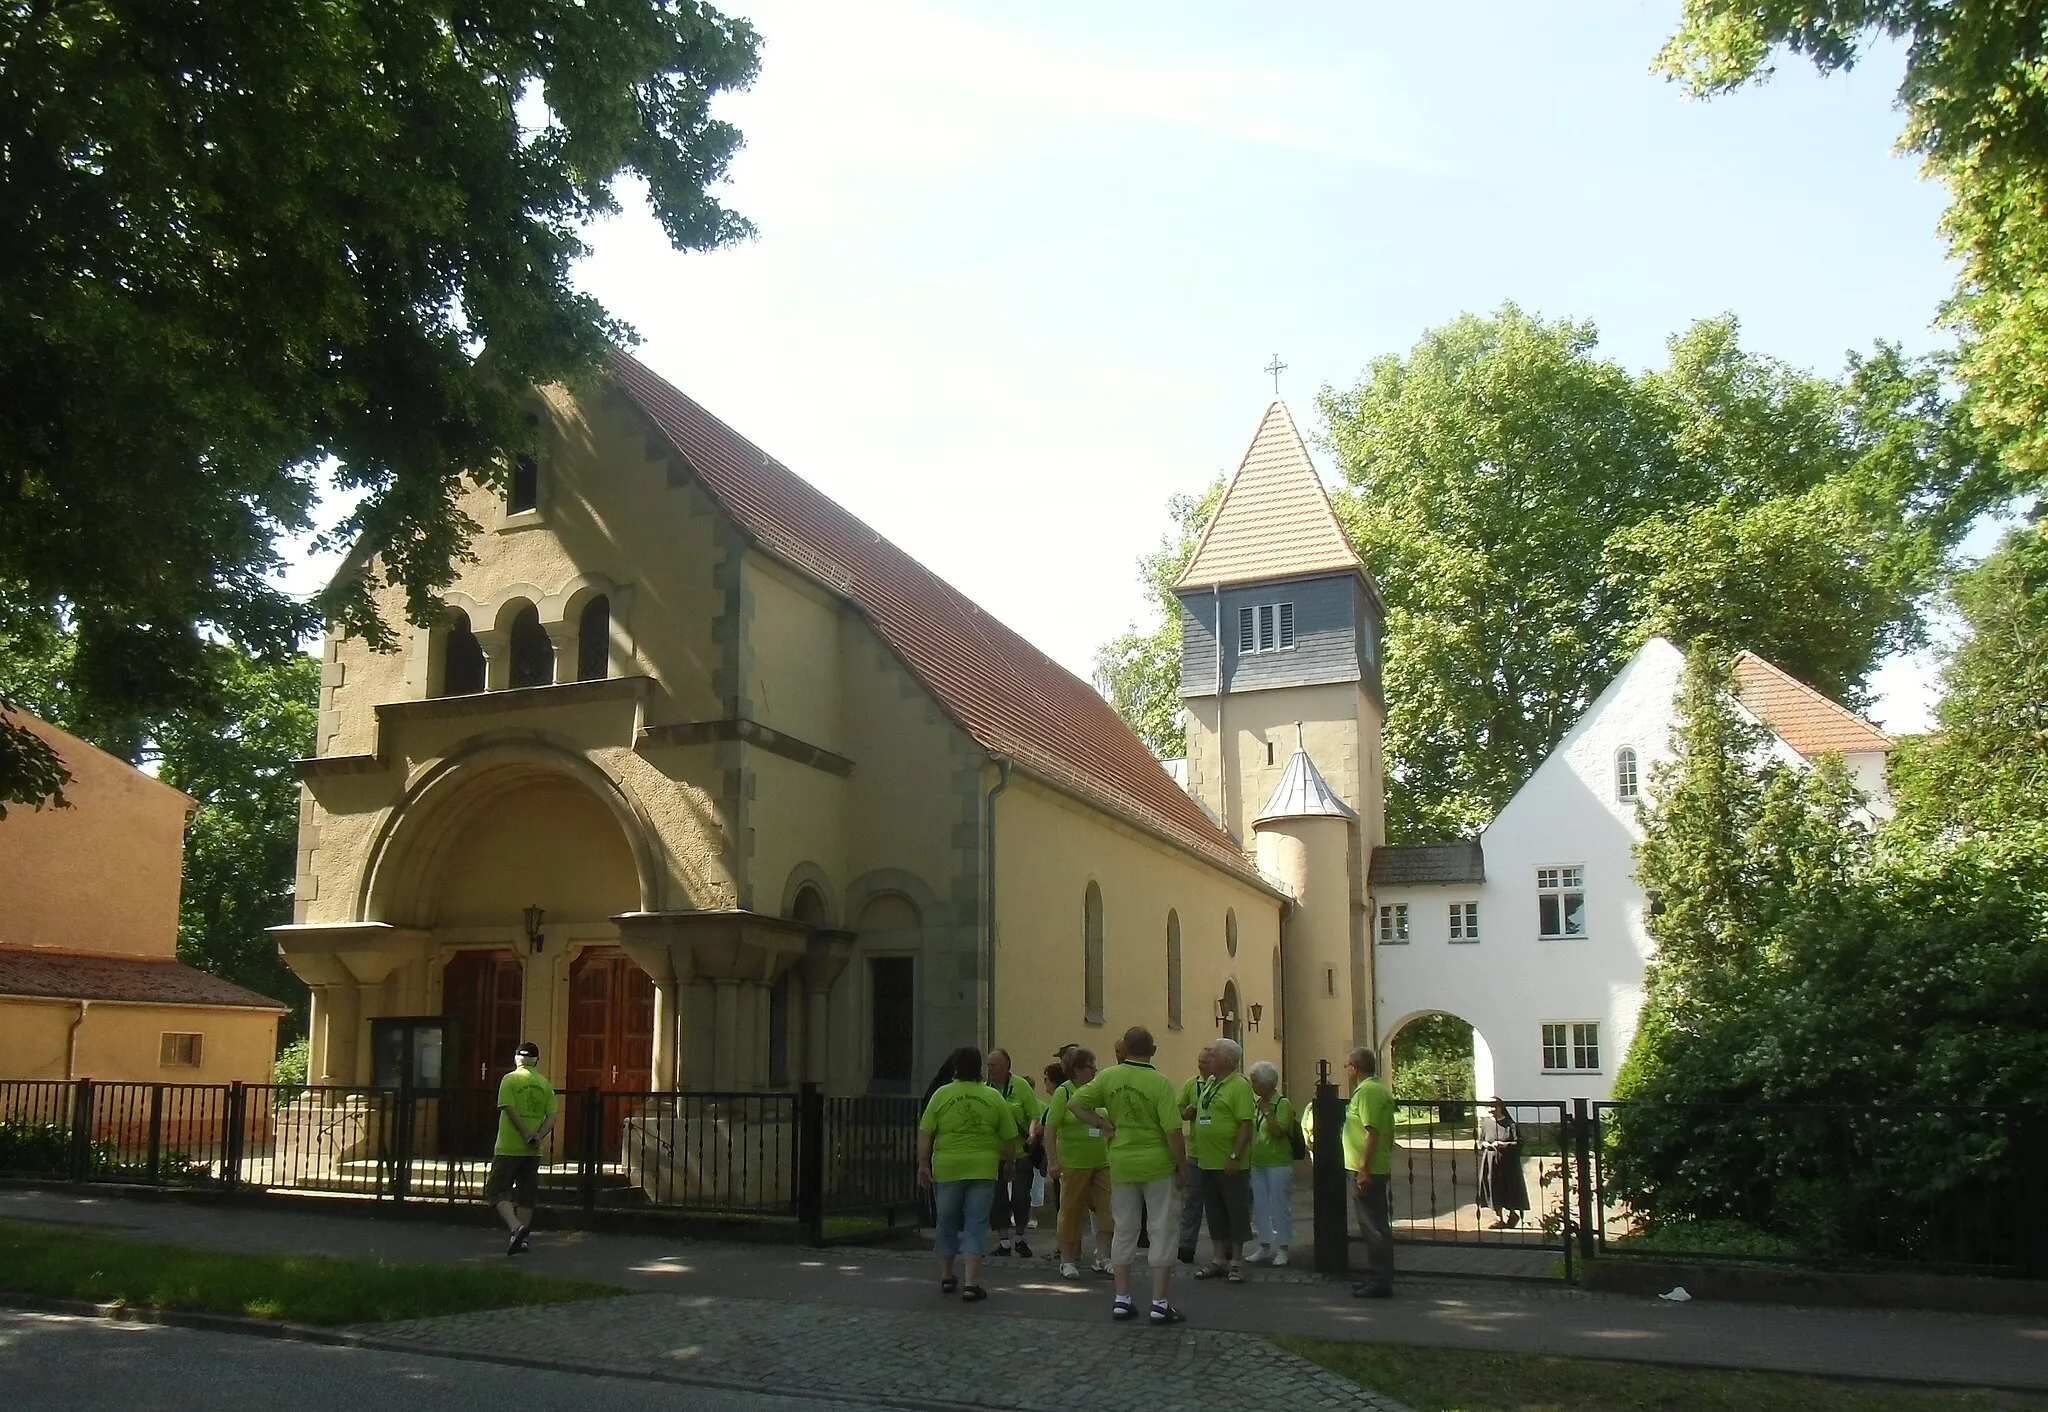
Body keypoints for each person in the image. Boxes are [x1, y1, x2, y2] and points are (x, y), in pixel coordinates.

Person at [1067, 1025, 1188, 1325]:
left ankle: (1122, 1299)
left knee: (1124, 1228)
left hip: (1121, 1161)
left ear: (1125, 1048)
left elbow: (1074, 1103)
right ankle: (1159, 1303)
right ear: (1153, 1050)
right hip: (1157, 1163)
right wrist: (1182, 1167)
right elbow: (1173, 1130)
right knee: (1162, 1228)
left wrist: (1101, 1122)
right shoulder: (1159, 1082)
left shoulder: (1109, 1076)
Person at [918, 1045, 1019, 1303]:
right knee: (976, 1223)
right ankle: (972, 1283)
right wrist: (1009, 1162)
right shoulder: (993, 1097)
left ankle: (947, 1276)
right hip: (983, 1167)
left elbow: (926, 1132)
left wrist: (923, 1164)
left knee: (946, 1220)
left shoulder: (941, 1095)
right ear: (979, 1068)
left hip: (948, 1167)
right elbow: (1009, 1136)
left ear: (954, 1068)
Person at [1043, 1046, 1114, 1279]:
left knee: (1107, 1209)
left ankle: (1103, 1256)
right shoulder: (1064, 1092)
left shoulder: (1096, 1089)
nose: (1095, 1070)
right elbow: (1050, 1129)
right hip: (1073, 1164)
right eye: (1091, 1067)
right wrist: (1052, 1161)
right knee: (1071, 1212)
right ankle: (1067, 1259)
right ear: (1077, 1070)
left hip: (1101, 1161)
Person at [1191, 1037, 1255, 1283]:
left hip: (1229, 1162)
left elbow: (1245, 1124)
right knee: (1214, 1212)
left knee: (1236, 1211)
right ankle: (1218, 1259)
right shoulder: (1210, 1082)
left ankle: (1236, 1261)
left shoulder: (1239, 1085)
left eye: (1214, 1055)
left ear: (1227, 1061)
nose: (1208, 1059)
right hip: (1206, 1160)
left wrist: (1234, 1156)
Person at [489, 1040, 555, 1255]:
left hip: (509, 1146)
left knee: (496, 1190)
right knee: (527, 1194)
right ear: (536, 1060)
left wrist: (525, 1132)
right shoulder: (544, 1083)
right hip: (533, 1149)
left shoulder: (510, 1079)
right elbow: (551, 1116)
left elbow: (509, 1108)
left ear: (516, 1058)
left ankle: (516, 1228)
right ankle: (522, 1239)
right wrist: (538, 1135)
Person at [1343, 1045, 1395, 1298]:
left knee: (1373, 1226)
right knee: (1374, 1225)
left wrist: (1363, 1168)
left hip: (1368, 1170)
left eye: (1348, 1066)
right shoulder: (1372, 1089)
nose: (1347, 1070)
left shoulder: (1368, 1092)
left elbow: (1371, 1132)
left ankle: (1380, 1280)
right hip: (1369, 1167)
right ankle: (1378, 1277)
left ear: (1356, 1068)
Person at [985, 1048, 1042, 1257]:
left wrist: (1031, 1135)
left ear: (1007, 1065)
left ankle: (1020, 1237)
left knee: (1020, 1196)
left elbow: (1033, 1115)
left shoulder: (1021, 1085)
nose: (990, 1069)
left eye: (995, 1065)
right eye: (989, 1065)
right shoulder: (986, 1088)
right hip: (995, 1154)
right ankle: (1004, 1241)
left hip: (1020, 1152)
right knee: (997, 1199)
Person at [1245, 1060, 1296, 1266]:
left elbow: (1279, 1131)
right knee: (1261, 1205)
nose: (1253, 1086)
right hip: (1258, 1161)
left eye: (1255, 1082)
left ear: (1267, 1084)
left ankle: (1282, 1247)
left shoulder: (1282, 1103)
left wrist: (1267, 1111)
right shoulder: (1256, 1104)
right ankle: (1264, 1245)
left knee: (1279, 1205)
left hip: (1278, 1162)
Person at [1174, 1044, 1217, 1263]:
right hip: (1195, 1151)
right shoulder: (1191, 1084)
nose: (1201, 1064)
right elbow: (1179, 1109)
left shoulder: (1222, 1085)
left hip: (1217, 1153)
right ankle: (1186, 1246)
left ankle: (1223, 1249)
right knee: (1192, 1201)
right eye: (1199, 1060)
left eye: (1205, 1060)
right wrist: (1186, 1112)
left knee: (1217, 1203)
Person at [1478, 1096, 1529, 1229]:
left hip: (1508, 1162)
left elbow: (1519, 1143)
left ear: (1500, 1107)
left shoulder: (1510, 1124)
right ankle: (1498, 1218)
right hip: (1490, 1161)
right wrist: (1484, 1144)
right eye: (1488, 1106)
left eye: (1493, 1106)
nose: (1490, 1109)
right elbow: (1480, 1140)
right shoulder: (1486, 1123)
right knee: (1493, 1186)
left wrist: (1504, 1145)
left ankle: (1512, 1214)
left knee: (1509, 1187)